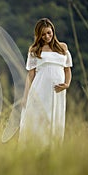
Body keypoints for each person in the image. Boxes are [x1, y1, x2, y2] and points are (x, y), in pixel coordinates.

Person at [19, 18, 73, 148]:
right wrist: (25, 96)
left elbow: (67, 70)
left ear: (53, 31)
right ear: (38, 35)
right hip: (40, 89)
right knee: (39, 118)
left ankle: (52, 149)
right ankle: (36, 148)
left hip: (57, 91)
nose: (47, 36)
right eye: (43, 34)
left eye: (49, 33)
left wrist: (67, 84)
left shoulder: (62, 47)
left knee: (55, 118)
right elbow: (30, 75)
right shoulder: (34, 49)